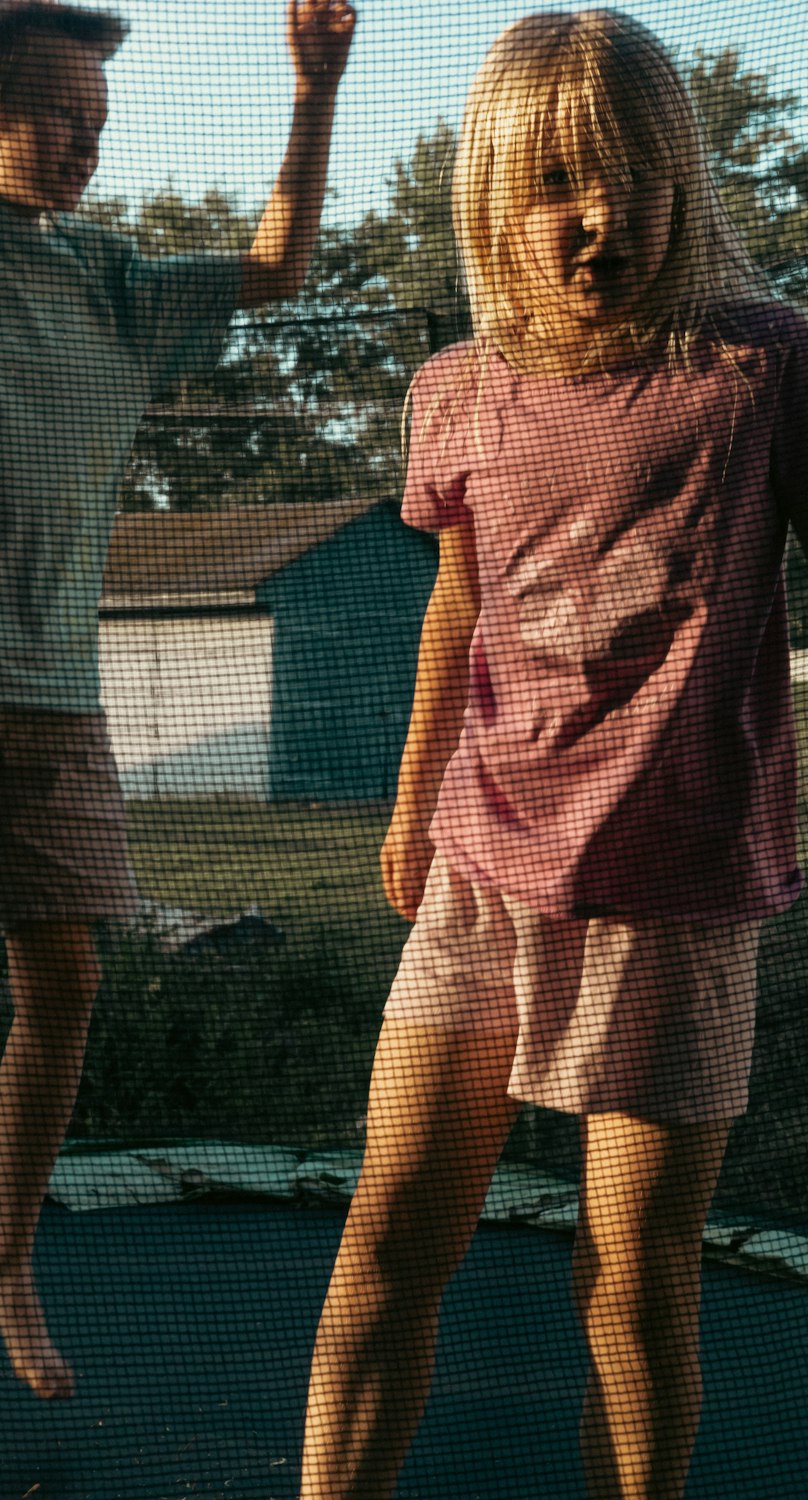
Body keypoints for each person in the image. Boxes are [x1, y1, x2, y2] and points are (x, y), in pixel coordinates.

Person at [0, 0, 355, 1454]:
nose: (85, 141)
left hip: (56, 687)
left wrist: (315, 89)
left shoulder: (110, 276)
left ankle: (2, 1253)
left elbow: (273, 265)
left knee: (69, 971)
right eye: (57, 112)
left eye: (100, 119)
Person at [299, 11, 808, 1499]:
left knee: (635, 1283)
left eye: (634, 177)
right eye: (559, 185)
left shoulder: (763, 367)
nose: (601, 218)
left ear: (682, 182)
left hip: (672, 890)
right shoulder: (457, 390)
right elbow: (460, 600)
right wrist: (409, 805)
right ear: (493, 203)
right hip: (481, 870)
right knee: (389, 1233)